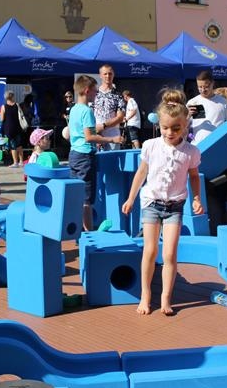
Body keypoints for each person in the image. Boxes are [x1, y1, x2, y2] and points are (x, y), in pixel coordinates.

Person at [121, 89, 202, 316]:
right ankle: (146, 294)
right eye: (165, 127)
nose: (170, 132)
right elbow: (141, 173)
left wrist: (196, 197)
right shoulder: (151, 145)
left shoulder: (191, 151)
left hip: (175, 206)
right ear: (159, 125)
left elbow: (194, 176)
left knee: (169, 254)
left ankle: (166, 297)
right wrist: (131, 197)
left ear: (185, 126)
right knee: (149, 250)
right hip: (151, 203)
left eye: (176, 128)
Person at [69, 75, 124, 230]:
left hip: (74, 154)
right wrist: (112, 139)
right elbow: (89, 137)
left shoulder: (74, 109)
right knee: (86, 199)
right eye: (95, 91)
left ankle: (78, 231)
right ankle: (89, 232)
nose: (96, 94)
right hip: (85, 156)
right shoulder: (87, 111)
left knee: (76, 195)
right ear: (87, 91)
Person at [187, 70, 227, 144]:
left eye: (206, 87)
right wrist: (188, 116)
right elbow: (183, 126)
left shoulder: (223, 102)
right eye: (200, 87)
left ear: (212, 83)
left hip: (217, 144)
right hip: (198, 145)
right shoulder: (192, 102)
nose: (203, 90)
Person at [93, 64, 125, 151]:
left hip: (113, 137)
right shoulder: (94, 93)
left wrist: (103, 126)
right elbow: (89, 114)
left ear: (113, 75)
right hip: (95, 135)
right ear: (100, 75)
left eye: (110, 74)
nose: (108, 76)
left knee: (113, 159)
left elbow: (120, 118)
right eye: (105, 74)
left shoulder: (118, 95)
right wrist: (96, 131)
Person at [0, 90, 25, 167]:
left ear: (5, 97)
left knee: (13, 146)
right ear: (13, 96)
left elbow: (2, 119)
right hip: (17, 127)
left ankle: (15, 162)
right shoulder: (17, 105)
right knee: (19, 145)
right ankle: (21, 161)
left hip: (9, 129)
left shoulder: (4, 107)